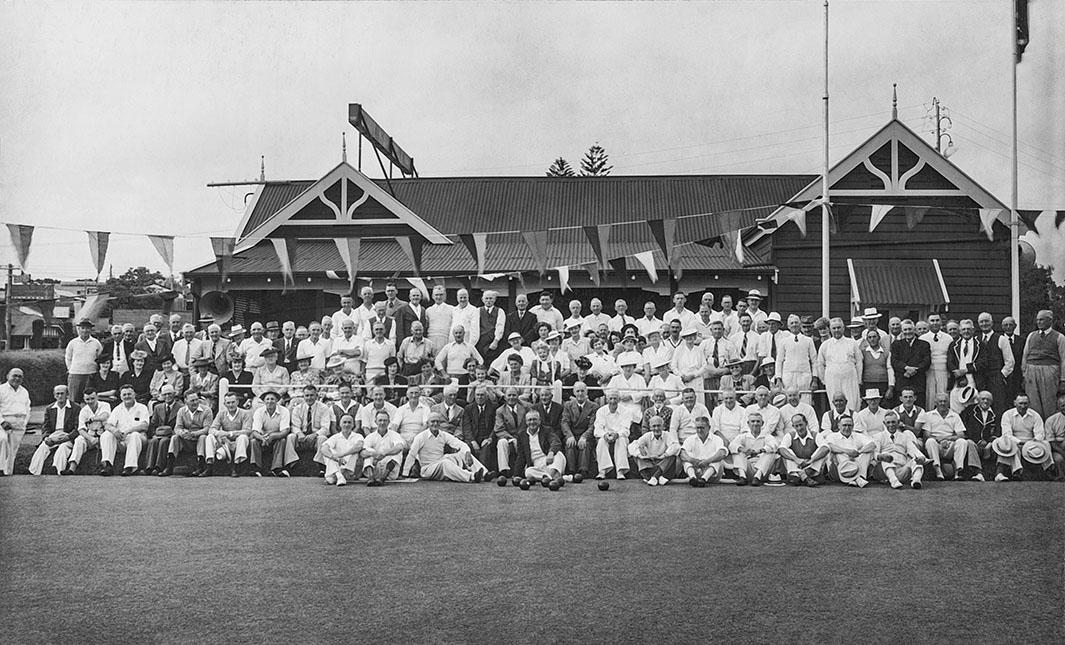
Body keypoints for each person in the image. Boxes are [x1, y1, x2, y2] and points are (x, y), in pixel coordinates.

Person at [402, 412, 487, 482]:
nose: (435, 424)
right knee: (445, 462)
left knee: (462, 453)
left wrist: (467, 452)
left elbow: (459, 443)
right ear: (427, 423)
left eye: (437, 422)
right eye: (432, 421)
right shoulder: (420, 437)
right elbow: (412, 455)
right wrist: (405, 473)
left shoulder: (443, 435)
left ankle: (485, 474)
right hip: (427, 469)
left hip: (441, 461)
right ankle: (472, 477)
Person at [916, 392, 980, 481]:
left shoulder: (955, 415)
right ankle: (938, 472)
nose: (942, 403)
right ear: (936, 403)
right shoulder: (929, 415)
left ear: (948, 402)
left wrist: (947, 439)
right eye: (940, 401)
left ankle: (958, 472)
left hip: (950, 444)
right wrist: (940, 441)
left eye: (945, 401)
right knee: (930, 442)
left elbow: (961, 435)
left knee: (962, 442)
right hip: (936, 444)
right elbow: (926, 435)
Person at [1020, 309, 1065, 421]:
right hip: (1031, 371)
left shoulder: (1059, 337)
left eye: (1042, 320)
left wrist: (1063, 379)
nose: (1039, 322)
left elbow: (1063, 359)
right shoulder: (1031, 336)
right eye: (1037, 320)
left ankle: (1050, 430)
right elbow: (1025, 355)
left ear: (1050, 321)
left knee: (1049, 402)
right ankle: (1036, 431)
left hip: (1049, 371)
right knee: (1033, 402)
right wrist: (1024, 374)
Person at [28, 385, 80, 476]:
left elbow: (77, 428)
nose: (60, 396)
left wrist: (67, 437)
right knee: (43, 447)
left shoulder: (75, 408)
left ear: (67, 394)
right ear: (54, 395)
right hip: (53, 435)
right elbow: (45, 427)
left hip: (67, 435)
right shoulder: (49, 408)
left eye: (62, 393)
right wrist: (46, 437)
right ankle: (34, 472)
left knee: (63, 448)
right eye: (57, 394)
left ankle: (58, 470)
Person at [99, 384, 150, 476]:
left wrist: (129, 430)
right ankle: (108, 465)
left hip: (138, 438)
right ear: (121, 397)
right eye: (124, 394)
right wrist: (114, 430)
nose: (127, 396)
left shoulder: (142, 408)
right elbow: (108, 425)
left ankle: (129, 468)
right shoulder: (117, 409)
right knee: (107, 434)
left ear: (134, 395)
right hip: (121, 439)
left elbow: (145, 426)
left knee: (134, 435)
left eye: (129, 394)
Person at [160, 391, 213, 477]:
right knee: (175, 437)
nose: (195, 402)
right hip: (185, 438)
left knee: (203, 437)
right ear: (186, 401)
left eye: (196, 400)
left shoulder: (207, 410)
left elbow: (207, 428)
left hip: (199, 438)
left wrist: (194, 434)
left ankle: (200, 466)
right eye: (192, 401)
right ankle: (169, 466)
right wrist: (183, 433)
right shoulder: (181, 411)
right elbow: (177, 427)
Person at [999, 394, 1053, 478]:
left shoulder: (1035, 415)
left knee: (1046, 443)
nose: (1023, 406)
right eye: (1020, 403)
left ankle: (1049, 469)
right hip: (1016, 442)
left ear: (1029, 404)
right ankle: (1017, 472)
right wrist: (1019, 442)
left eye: (1025, 403)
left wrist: (1033, 441)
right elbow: (1006, 434)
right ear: (1015, 403)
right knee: (1011, 445)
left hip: (1032, 443)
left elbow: (1040, 433)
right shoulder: (1007, 414)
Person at [872, 411, 927, 489]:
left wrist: (921, 458)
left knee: (917, 459)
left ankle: (916, 481)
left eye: (893, 422)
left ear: (898, 423)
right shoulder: (878, 436)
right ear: (884, 423)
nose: (891, 425)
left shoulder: (904, 437)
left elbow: (913, 450)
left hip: (901, 469)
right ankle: (893, 481)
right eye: (888, 422)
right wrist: (882, 456)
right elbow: (875, 453)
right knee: (886, 456)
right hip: (884, 471)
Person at [205, 391, 255, 477]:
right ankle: (209, 466)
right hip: (225, 442)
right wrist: (219, 433)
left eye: (233, 402)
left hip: (239, 442)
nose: (231, 405)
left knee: (243, 437)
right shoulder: (221, 414)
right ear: (225, 404)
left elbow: (247, 430)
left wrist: (230, 434)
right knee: (210, 437)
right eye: (228, 403)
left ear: (237, 402)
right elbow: (212, 429)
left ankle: (236, 466)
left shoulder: (245, 413)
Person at [816, 317, 862, 410]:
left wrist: (858, 379)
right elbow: (820, 364)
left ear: (843, 328)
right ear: (830, 329)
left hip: (850, 378)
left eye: (839, 327)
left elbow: (859, 362)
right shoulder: (825, 345)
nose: (836, 330)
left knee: (852, 403)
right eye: (834, 328)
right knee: (835, 404)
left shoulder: (852, 343)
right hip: (832, 379)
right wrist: (824, 380)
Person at [287, 384, 332, 476]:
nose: (309, 398)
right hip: (302, 437)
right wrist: (299, 434)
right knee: (290, 437)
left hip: (315, 437)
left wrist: (314, 435)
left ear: (316, 396)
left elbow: (325, 428)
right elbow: (295, 426)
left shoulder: (324, 408)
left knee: (323, 438)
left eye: (312, 395)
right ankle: (291, 465)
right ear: (303, 396)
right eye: (307, 395)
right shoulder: (298, 408)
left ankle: (321, 467)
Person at [975, 312, 1014, 417]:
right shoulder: (976, 340)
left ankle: (999, 431)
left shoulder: (1001, 339)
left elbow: (1010, 361)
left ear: (992, 323)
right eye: (981, 322)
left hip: (996, 377)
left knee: (998, 405)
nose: (984, 324)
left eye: (986, 321)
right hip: (981, 378)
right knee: (981, 405)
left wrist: (1001, 376)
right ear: (978, 324)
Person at [514, 409, 567, 483]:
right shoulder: (521, 435)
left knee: (559, 455)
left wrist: (551, 453)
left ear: (539, 421)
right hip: (536, 465)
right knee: (528, 472)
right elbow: (521, 456)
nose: (532, 422)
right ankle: (554, 478)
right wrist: (516, 475)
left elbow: (555, 442)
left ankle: (549, 477)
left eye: (535, 419)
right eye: (529, 420)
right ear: (526, 422)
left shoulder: (547, 430)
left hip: (550, 460)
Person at [728, 411, 779, 486]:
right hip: (748, 469)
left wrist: (759, 451)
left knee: (771, 452)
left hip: (763, 471)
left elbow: (774, 445)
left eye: (758, 421)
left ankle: (757, 478)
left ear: (762, 423)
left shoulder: (767, 436)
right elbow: (732, 445)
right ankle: (742, 477)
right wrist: (743, 449)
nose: (755, 423)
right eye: (753, 421)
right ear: (748, 423)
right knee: (737, 451)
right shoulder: (743, 436)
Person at [776, 414, 828, 487]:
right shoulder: (790, 435)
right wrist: (796, 459)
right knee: (786, 451)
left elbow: (825, 448)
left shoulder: (815, 435)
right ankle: (804, 477)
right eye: (796, 426)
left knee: (822, 449)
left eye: (801, 425)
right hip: (796, 466)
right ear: (793, 426)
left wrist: (811, 461)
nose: (799, 428)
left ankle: (801, 476)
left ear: (806, 423)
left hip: (810, 467)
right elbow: (781, 449)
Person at [251, 390, 294, 477]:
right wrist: (262, 438)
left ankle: (276, 468)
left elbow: (285, 430)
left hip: (278, 435)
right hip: (263, 437)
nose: (270, 401)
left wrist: (273, 436)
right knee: (253, 441)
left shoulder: (284, 411)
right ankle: (256, 468)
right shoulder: (259, 411)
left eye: (272, 399)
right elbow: (255, 431)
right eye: (267, 399)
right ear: (264, 401)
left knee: (281, 441)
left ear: (277, 400)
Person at [823, 416, 874, 488]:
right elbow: (829, 447)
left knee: (867, 452)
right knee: (837, 453)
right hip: (839, 470)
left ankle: (859, 477)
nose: (847, 428)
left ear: (853, 426)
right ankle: (855, 478)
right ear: (839, 426)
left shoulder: (858, 436)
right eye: (844, 425)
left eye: (849, 425)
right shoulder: (832, 436)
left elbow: (872, 444)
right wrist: (846, 451)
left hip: (855, 463)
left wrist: (858, 452)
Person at [628, 415, 679, 486]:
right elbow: (632, 446)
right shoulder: (647, 436)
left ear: (663, 426)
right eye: (654, 426)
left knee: (672, 456)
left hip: (662, 463)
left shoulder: (667, 435)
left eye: (659, 426)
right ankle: (658, 477)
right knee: (636, 456)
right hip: (650, 463)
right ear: (650, 427)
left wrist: (664, 455)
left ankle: (653, 477)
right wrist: (641, 456)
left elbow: (676, 446)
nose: (656, 428)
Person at [592, 390, 631, 480]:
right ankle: (602, 471)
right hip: (605, 435)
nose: (613, 401)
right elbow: (598, 428)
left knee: (621, 440)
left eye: (615, 398)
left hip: (619, 436)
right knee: (601, 441)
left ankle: (620, 471)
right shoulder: (601, 411)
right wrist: (605, 435)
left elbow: (626, 429)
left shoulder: (626, 411)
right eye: (611, 398)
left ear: (619, 399)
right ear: (607, 400)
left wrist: (616, 434)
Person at [361, 409, 407, 486]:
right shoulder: (370, 436)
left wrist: (384, 453)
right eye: (380, 420)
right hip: (375, 468)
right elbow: (362, 453)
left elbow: (400, 446)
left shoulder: (394, 435)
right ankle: (371, 478)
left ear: (389, 422)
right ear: (375, 422)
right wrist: (374, 454)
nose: (382, 423)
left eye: (385, 420)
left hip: (390, 471)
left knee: (397, 453)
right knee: (369, 451)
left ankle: (382, 478)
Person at [560, 381, 596, 477]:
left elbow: (593, 425)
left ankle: (583, 472)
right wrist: (569, 436)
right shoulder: (568, 405)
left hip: (586, 435)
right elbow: (564, 422)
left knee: (585, 445)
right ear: (574, 392)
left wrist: (584, 436)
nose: (580, 394)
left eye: (582, 391)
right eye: (578, 391)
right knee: (569, 444)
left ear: (586, 392)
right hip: (572, 434)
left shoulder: (593, 406)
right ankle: (571, 472)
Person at [317, 413, 363, 487]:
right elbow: (323, 449)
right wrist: (335, 458)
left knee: (354, 453)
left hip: (350, 470)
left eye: (349, 422)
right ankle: (339, 476)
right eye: (344, 422)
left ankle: (336, 475)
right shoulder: (335, 437)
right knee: (329, 452)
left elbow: (358, 447)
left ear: (353, 425)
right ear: (340, 424)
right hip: (338, 465)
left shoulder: (358, 436)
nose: (347, 425)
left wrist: (341, 455)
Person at [890, 320, 930, 406]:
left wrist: (915, 370)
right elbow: (894, 361)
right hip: (902, 381)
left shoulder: (924, 344)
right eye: (905, 330)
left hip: (918, 382)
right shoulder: (896, 344)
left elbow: (926, 361)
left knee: (919, 408)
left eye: (910, 329)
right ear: (902, 331)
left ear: (914, 330)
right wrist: (906, 368)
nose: (908, 332)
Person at [680, 416, 728, 486]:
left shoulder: (717, 439)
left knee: (718, 459)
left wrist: (708, 461)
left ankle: (703, 479)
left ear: (709, 428)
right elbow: (682, 454)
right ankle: (693, 478)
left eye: (702, 428)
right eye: (697, 428)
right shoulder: (690, 439)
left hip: (713, 474)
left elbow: (722, 453)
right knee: (686, 458)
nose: (699, 430)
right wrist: (692, 460)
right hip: (696, 471)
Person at [144, 384, 180, 475]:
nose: (167, 396)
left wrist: (172, 433)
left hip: (172, 435)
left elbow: (180, 425)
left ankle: (159, 466)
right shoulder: (158, 407)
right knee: (153, 441)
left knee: (164, 441)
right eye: (165, 394)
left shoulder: (180, 407)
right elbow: (153, 424)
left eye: (169, 394)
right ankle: (149, 467)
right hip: (159, 433)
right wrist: (154, 434)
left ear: (174, 394)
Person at [920, 314, 953, 409]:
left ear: (941, 322)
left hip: (943, 371)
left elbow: (950, 357)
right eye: (932, 320)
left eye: (937, 320)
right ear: (928, 323)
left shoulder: (948, 338)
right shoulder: (923, 338)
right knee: (929, 396)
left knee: (943, 396)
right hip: (928, 371)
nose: (935, 323)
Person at [65, 319, 102, 403]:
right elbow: (68, 357)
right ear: (79, 329)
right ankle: (74, 416)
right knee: (74, 399)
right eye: (83, 328)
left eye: (88, 328)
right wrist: (71, 369)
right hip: (75, 375)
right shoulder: (73, 343)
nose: (85, 330)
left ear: (91, 329)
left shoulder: (96, 343)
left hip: (91, 374)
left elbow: (99, 358)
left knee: (90, 399)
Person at [860, 330, 894, 405]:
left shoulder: (886, 352)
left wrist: (890, 387)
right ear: (867, 339)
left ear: (879, 338)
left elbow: (890, 369)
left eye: (874, 337)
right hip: (868, 384)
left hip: (883, 384)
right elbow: (860, 369)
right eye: (870, 337)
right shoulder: (862, 352)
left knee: (884, 406)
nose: (872, 339)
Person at [475, 289, 506, 364]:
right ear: (482, 299)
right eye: (486, 298)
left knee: (493, 362)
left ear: (494, 300)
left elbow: (500, 327)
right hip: (480, 341)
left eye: (491, 298)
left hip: (493, 341)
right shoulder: (477, 310)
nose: (488, 300)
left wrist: (496, 341)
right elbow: (474, 327)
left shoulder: (500, 311)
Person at [425, 285, 454, 350]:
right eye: (436, 295)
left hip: (446, 339)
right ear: (432, 296)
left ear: (445, 296)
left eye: (441, 295)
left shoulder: (452, 309)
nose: (438, 297)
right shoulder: (428, 310)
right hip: (431, 339)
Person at [1043, 394, 1065, 481]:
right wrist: (1063, 453)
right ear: (1058, 407)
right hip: (1058, 449)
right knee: (1058, 459)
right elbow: (1051, 442)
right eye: (1063, 405)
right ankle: (1061, 477)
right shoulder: (1051, 420)